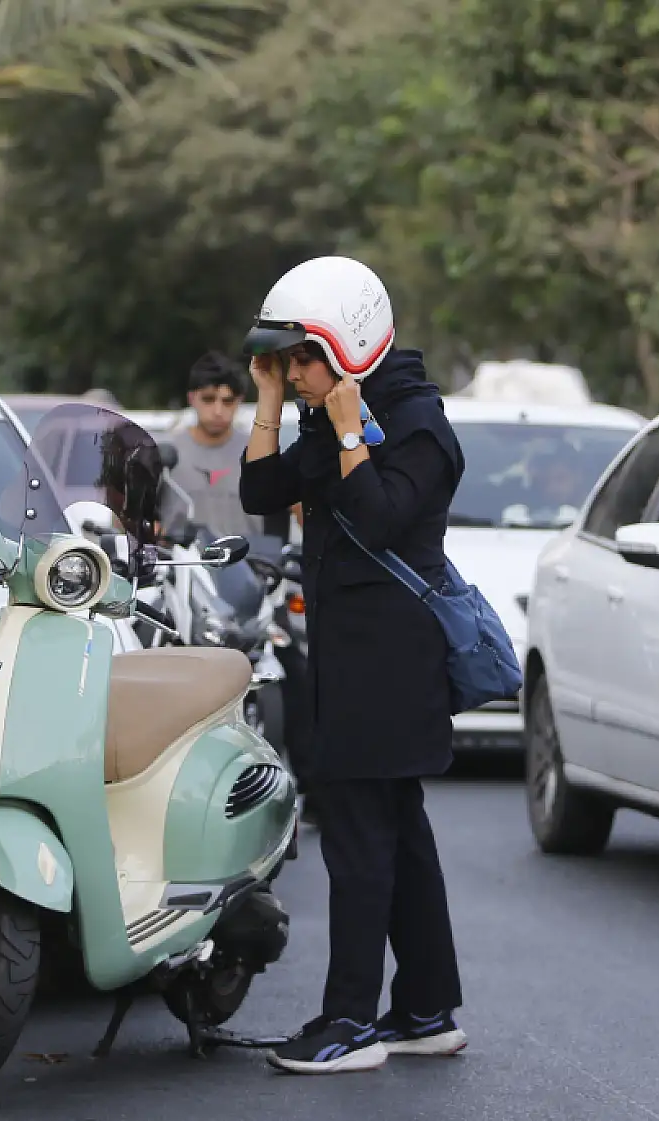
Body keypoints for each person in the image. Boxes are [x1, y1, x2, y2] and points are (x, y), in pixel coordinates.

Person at [238, 255, 466, 1075]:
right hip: (346, 659)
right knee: (399, 835)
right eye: (283, 360)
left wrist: (342, 426)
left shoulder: (417, 427)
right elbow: (263, 491)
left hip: (390, 666)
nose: (291, 372)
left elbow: (378, 513)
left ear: (348, 345)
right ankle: (426, 1010)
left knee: (361, 840)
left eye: (299, 358)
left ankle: (349, 1022)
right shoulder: (325, 410)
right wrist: (270, 401)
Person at [159, 352, 264, 541]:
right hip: (183, 565)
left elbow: (299, 508)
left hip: (247, 565)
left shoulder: (259, 452)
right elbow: (130, 516)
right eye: (208, 399)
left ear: (239, 401)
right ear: (192, 398)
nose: (218, 411)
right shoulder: (165, 453)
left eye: (227, 401)